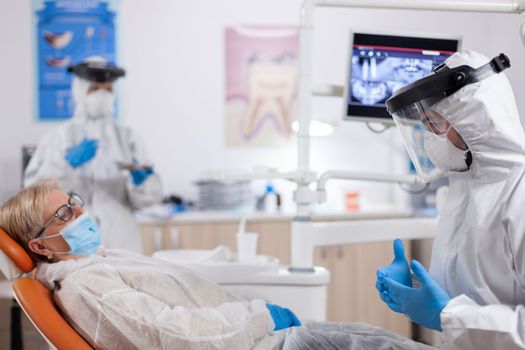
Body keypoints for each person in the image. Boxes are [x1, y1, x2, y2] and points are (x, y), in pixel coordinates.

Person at [0, 181, 435, 350]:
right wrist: (260, 313)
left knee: (376, 338)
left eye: (74, 203)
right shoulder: (86, 285)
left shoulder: (95, 262)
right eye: (63, 215)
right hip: (258, 344)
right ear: (39, 245)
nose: (79, 214)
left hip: (261, 338)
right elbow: (171, 333)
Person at [376, 49, 525, 349]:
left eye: (439, 123)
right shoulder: (464, 190)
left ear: (475, 118)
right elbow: (473, 289)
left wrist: (447, 315)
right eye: (428, 125)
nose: (433, 135)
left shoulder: (518, 194)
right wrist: (415, 289)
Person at [24, 56, 162, 252]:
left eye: (108, 89)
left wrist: (143, 183)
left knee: (125, 281)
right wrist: (64, 164)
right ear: (80, 92)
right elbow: (33, 195)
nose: (102, 95)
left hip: (122, 237)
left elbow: (149, 200)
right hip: (73, 237)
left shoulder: (128, 138)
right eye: (94, 89)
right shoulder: (58, 137)